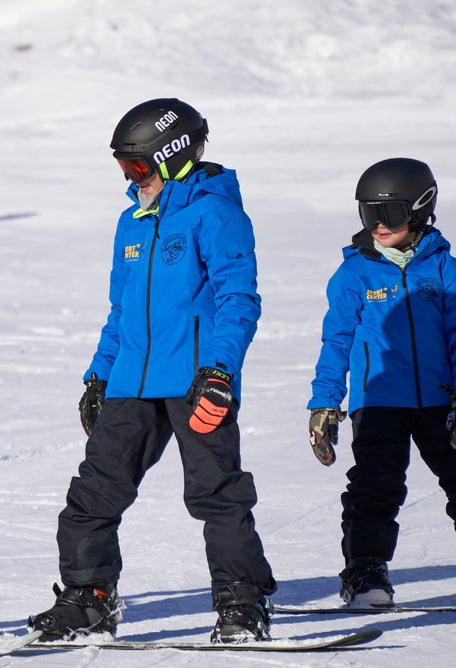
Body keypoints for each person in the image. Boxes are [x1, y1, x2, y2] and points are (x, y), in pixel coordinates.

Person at [30, 98, 276, 644]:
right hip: (130, 383)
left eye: (139, 167)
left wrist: (220, 372)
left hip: (196, 381)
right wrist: (99, 375)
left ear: (174, 157)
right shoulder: (131, 223)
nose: (131, 179)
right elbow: (120, 312)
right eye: (124, 169)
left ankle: (241, 601)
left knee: (217, 493)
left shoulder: (216, 214)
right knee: (93, 494)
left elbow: (239, 300)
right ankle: (88, 599)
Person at [307, 157, 456, 608]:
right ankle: (365, 574)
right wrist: (325, 402)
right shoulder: (354, 273)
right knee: (375, 485)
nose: (378, 224)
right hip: (378, 402)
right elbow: (336, 341)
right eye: (368, 213)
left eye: (388, 214)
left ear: (420, 209)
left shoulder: (444, 270)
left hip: (439, 401)